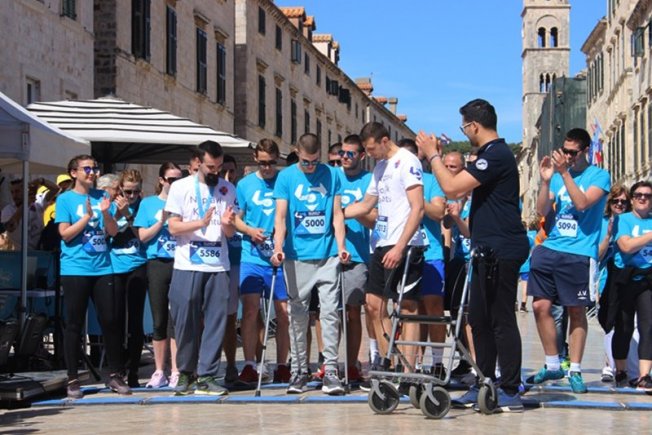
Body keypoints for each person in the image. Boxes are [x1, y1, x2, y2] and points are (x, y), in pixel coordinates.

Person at [416, 98, 529, 413]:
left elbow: (452, 187)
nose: (464, 131)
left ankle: (510, 388)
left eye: (464, 126)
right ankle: (484, 380)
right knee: (478, 318)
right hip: (485, 249)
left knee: (501, 318)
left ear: (474, 126)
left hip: (502, 248)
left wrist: (433, 155)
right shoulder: (487, 156)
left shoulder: (496, 155)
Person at [529, 128, 610, 394]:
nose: (567, 156)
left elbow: (583, 203)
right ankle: (552, 363)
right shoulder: (556, 177)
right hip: (550, 247)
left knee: (576, 310)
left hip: (579, 252)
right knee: (540, 306)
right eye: (564, 151)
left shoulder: (599, 176)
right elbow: (541, 210)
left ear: (586, 151)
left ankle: (574, 368)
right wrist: (545, 182)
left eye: (573, 152)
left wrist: (564, 173)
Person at [344, 123, 425, 388]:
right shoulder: (379, 168)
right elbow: (366, 205)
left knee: (407, 308)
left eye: (371, 149)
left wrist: (400, 246)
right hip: (381, 244)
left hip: (405, 245)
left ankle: (409, 370)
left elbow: (418, 208)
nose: (369, 155)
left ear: (385, 140)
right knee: (373, 305)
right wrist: (336, 214)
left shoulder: (407, 161)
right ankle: (389, 360)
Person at [271, 133, 349, 395]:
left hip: (327, 254)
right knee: (298, 314)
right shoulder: (286, 177)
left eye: (315, 161)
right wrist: (278, 247)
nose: (311, 167)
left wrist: (341, 246)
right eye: (306, 162)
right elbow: (280, 217)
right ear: (297, 153)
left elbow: (337, 214)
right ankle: (298, 371)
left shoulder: (333, 175)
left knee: (330, 312)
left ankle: (331, 370)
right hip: (297, 256)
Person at [165, 140, 237, 396]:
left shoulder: (228, 189)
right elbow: (173, 227)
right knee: (185, 320)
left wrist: (228, 223)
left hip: (217, 264)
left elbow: (229, 232)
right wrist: (200, 223)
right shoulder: (180, 187)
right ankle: (185, 372)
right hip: (188, 263)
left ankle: (207, 375)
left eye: (218, 167)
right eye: (210, 167)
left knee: (216, 321)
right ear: (198, 163)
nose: (215, 172)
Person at [55, 155, 127, 398]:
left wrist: (107, 214)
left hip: (102, 267)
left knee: (111, 320)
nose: (92, 172)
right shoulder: (65, 199)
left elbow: (113, 232)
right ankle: (73, 378)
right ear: (74, 172)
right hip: (75, 268)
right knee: (74, 323)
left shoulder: (102, 196)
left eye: (94, 168)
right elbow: (65, 234)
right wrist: (86, 218)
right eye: (86, 168)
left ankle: (115, 374)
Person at [235, 139, 291, 384]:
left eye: (272, 163)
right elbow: (235, 218)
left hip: (279, 256)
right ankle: (249, 364)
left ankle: (282, 365)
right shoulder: (245, 184)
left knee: (283, 313)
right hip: (252, 256)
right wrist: (249, 231)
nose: (267, 168)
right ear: (256, 159)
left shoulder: (285, 181)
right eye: (263, 163)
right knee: (250, 311)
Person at [399, 139, 447, 377]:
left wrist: (416, 201)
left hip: (430, 253)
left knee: (434, 307)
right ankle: (411, 364)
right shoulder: (392, 181)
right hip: (403, 253)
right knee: (409, 309)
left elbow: (439, 212)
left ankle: (437, 363)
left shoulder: (430, 180)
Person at [134, 162, 183, 388]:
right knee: (159, 318)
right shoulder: (148, 203)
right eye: (171, 179)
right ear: (162, 180)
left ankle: (176, 369)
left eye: (179, 179)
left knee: (177, 319)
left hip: (180, 262)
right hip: (157, 263)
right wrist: (162, 220)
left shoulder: (185, 201)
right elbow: (143, 236)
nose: (175, 184)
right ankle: (159, 370)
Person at [337, 134, 376, 382]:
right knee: (327, 313)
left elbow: (374, 219)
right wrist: (356, 209)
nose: (345, 157)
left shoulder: (370, 180)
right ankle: (329, 364)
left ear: (361, 156)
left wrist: (347, 212)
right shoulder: (332, 176)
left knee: (353, 311)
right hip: (329, 252)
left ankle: (352, 365)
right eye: (342, 153)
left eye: (350, 154)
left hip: (358, 255)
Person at [611, 181, 652, 391]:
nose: (643, 198)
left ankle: (644, 376)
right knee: (624, 327)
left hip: (648, 278)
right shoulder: (623, 219)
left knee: (648, 326)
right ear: (632, 199)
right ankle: (621, 371)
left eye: (648, 195)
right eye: (638, 195)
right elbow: (626, 246)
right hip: (625, 277)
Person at [110, 169, 148, 387]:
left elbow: (141, 236)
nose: (132, 196)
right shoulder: (112, 206)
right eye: (127, 192)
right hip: (115, 266)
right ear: (120, 191)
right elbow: (107, 232)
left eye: (135, 192)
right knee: (116, 319)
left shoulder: (143, 206)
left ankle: (133, 370)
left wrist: (128, 215)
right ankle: (118, 369)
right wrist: (117, 213)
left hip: (137, 265)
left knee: (135, 320)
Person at [597, 185, 638, 383]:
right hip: (608, 277)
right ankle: (609, 363)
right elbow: (598, 254)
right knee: (608, 319)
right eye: (616, 201)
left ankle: (621, 366)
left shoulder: (632, 221)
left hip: (632, 276)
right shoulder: (602, 222)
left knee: (628, 323)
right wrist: (608, 236)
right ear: (610, 203)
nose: (620, 204)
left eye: (624, 201)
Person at [221, 154, 243, 385]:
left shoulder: (241, 191)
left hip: (245, 259)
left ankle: (251, 364)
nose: (228, 175)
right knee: (226, 317)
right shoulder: (215, 192)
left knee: (251, 314)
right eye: (223, 171)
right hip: (223, 262)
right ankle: (226, 366)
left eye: (231, 171)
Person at [517, 217, 540, 313]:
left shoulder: (517, 237)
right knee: (525, 285)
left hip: (516, 263)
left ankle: (514, 302)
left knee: (513, 284)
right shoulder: (533, 238)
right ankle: (523, 305)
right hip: (526, 265)